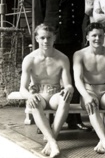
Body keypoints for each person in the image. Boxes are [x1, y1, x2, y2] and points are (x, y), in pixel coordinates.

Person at [36, 0, 90, 131]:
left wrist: (81, 38)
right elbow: (39, 12)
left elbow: (81, 13)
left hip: (72, 37)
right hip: (52, 38)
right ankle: (47, 120)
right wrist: (39, 37)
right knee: (51, 77)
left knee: (74, 77)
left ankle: (74, 119)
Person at [20, 24, 73, 157]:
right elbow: (22, 88)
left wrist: (68, 88)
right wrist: (29, 96)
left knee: (66, 98)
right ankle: (53, 142)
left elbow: (67, 84)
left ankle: (51, 141)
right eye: (42, 37)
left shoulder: (62, 58)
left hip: (55, 94)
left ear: (54, 38)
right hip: (40, 95)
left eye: (49, 37)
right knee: (34, 101)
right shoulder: (29, 59)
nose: (46, 41)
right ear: (36, 38)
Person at [73, 23, 105, 156]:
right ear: (87, 37)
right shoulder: (79, 54)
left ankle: (102, 142)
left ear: (104, 37)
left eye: (100, 35)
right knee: (91, 104)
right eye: (94, 35)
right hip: (89, 91)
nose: (97, 38)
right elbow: (78, 79)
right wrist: (86, 96)